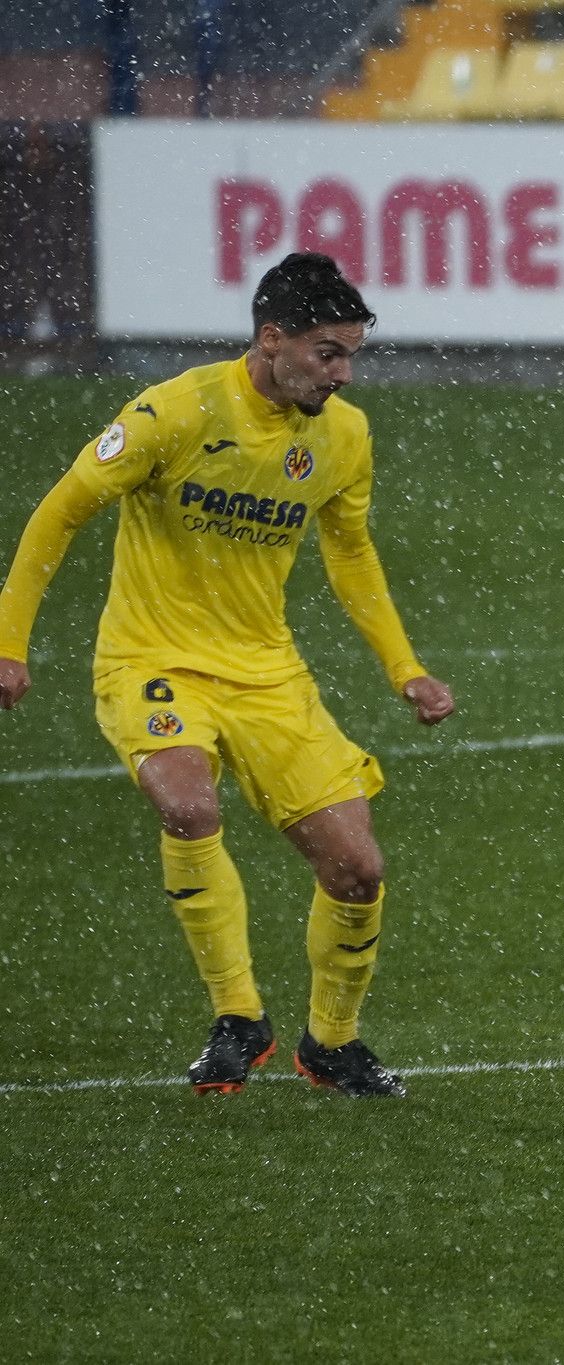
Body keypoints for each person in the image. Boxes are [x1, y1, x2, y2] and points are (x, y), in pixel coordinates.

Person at [0, 252, 453, 1098]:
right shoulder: (175, 411)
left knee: (358, 869)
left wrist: (406, 668)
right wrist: (8, 640)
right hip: (153, 660)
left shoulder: (342, 435)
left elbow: (350, 552)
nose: (343, 374)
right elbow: (61, 509)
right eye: (328, 352)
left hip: (267, 673)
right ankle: (239, 1017)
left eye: (352, 354)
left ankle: (331, 1043)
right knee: (188, 802)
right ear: (271, 339)